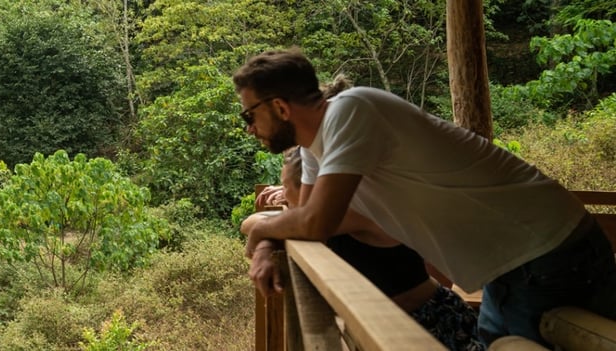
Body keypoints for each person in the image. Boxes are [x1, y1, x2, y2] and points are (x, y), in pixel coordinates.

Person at [233, 48, 616, 347]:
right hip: (509, 267)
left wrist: (258, 234)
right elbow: (305, 218)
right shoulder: (317, 147)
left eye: (248, 115)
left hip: (548, 253)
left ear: (281, 107)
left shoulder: (352, 110)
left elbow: (318, 223)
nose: (249, 129)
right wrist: (267, 242)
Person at [251, 147, 483, 350]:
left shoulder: (351, 211)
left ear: (310, 186)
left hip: (430, 323)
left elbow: (264, 225)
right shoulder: (331, 213)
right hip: (394, 324)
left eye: (284, 186)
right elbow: (255, 223)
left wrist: (264, 236)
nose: (282, 198)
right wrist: (268, 238)